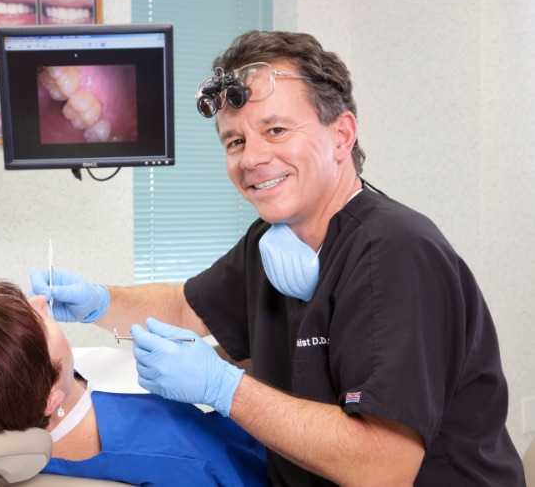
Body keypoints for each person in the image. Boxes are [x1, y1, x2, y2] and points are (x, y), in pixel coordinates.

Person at [30, 30, 526, 486]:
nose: (251, 159)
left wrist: (224, 388)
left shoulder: (394, 253)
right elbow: (187, 308)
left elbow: (384, 468)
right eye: (236, 141)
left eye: (276, 131)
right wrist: (98, 302)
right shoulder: (273, 238)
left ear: (342, 135)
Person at [0, 280, 267, 486]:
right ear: (50, 399)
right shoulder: (173, 452)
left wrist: (104, 303)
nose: (41, 300)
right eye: (44, 323)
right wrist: (229, 388)